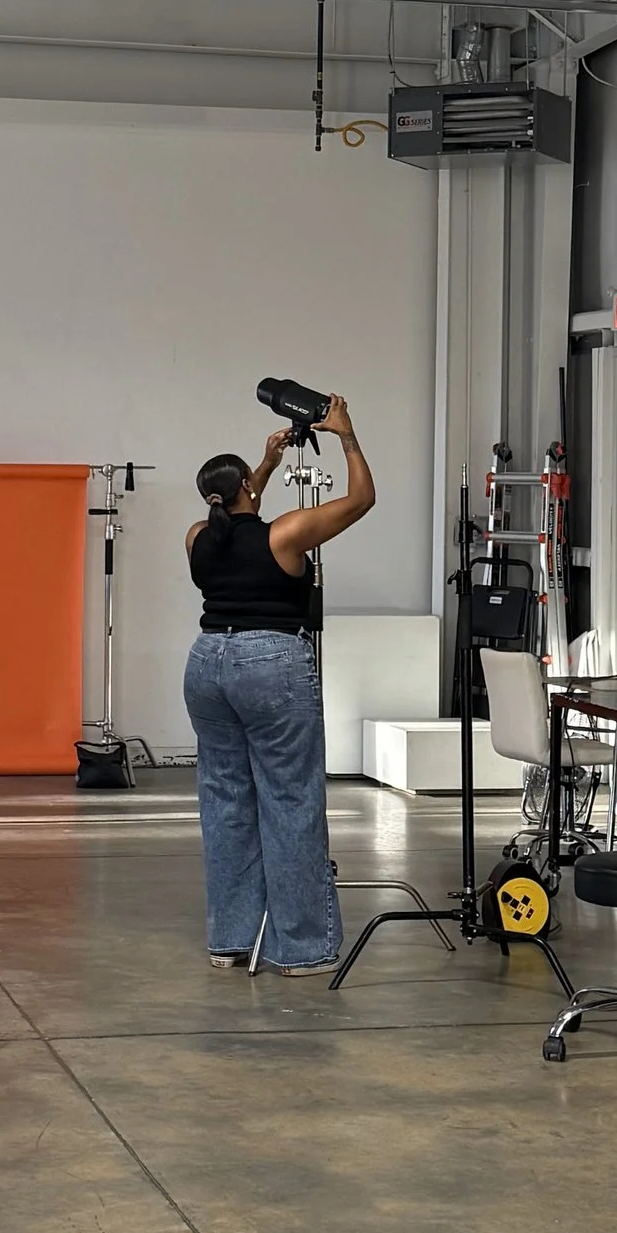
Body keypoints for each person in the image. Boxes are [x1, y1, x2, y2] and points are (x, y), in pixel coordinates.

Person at [184, 393, 377, 973]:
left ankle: (231, 939)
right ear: (246, 486)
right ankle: (301, 948)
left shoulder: (197, 536)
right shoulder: (286, 534)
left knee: (225, 801)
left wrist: (265, 463)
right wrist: (345, 434)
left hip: (207, 664)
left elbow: (236, 516)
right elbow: (361, 499)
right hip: (270, 662)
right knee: (290, 801)